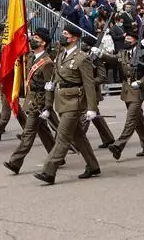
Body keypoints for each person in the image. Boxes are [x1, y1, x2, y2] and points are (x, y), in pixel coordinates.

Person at [33, 27, 101, 184]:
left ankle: (49, 171)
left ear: (74, 38)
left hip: (74, 102)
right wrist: (50, 91)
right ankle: (93, 166)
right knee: (78, 136)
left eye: (66, 35)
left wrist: (91, 107)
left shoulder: (82, 58)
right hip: (61, 100)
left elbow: (89, 84)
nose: (62, 37)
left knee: (62, 138)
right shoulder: (61, 54)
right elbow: (58, 76)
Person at [3, 28, 57, 173]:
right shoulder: (32, 57)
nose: (33, 40)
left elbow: (49, 86)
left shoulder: (47, 63)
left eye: (36, 39)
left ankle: (15, 162)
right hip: (31, 99)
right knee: (43, 130)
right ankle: (57, 155)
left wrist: (47, 106)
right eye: (33, 38)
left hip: (39, 102)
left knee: (28, 132)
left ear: (43, 43)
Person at [101, 27, 144, 161]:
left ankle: (119, 145)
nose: (126, 40)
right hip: (127, 89)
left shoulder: (143, 53)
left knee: (131, 119)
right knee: (138, 120)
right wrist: (101, 54)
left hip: (137, 89)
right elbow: (114, 59)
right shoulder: (124, 53)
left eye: (129, 38)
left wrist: (141, 83)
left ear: (135, 40)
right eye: (125, 38)